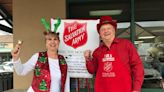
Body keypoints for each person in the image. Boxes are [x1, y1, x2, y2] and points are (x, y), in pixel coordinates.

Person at [84, 16, 144, 92]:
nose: (106, 31)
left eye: (109, 28)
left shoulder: (126, 45)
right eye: (103, 29)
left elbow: (137, 66)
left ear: (114, 30)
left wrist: (136, 89)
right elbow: (92, 70)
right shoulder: (97, 51)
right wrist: (88, 59)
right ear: (100, 34)